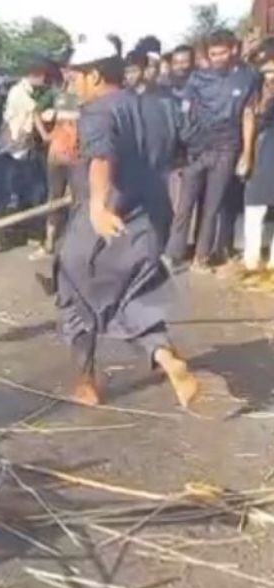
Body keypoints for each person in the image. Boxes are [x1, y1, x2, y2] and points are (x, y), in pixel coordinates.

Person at [56, 38, 197, 410]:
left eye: (77, 78)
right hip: (152, 218)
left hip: (106, 221)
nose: (74, 86)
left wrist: (99, 206)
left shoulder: (99, 111)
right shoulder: (159, 106)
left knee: (74, 295)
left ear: (96, 75)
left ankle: (86, 382)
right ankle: (164, 354)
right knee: (135, 293)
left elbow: (103, 157)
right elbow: (184, 149)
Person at [169, 29, 259, 270]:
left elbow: (248, 115)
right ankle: (174, 253)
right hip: (197, 148)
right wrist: (186, 143)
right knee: (185, 203)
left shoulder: (248, 78)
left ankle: (202, 256)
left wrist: (246, 153)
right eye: (212, 54)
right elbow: (185, 111)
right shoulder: (198, 78)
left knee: (213, 205)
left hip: (227, 147)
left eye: (221, 52)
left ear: (232, 50)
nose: (217, 58)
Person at [0, 63, 49, 249]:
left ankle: (24, 233)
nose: (44, 80)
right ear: (35, 74)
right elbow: (34, 114)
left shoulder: (29, 91)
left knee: (28, 193)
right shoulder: (19, 91)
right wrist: (47, 137)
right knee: (4, 196)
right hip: (10, 149)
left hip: (24, 148)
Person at [239, 42, 274, 274]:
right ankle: (250, 260)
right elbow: (249, 119)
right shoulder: (256, 88)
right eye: (266, 70)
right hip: (262, 148)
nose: (270, 74)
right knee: (254, 204)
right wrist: (247, 154)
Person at [37, 77, 80, 255]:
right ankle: (55, 240)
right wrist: (46, 135)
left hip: (63, 154)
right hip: (67, 155)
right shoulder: (71, 100)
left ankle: (53, 240)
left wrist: (46, 135)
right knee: (66, 199)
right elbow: (38, 113)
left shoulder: (62, 98)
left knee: (58, 198)